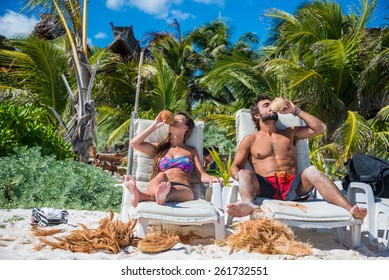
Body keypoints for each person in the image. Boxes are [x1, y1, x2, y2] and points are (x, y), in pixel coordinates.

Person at [226, 94, 367, 221]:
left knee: (312, 171)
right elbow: (235, 166)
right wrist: (242, 178)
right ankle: (247, 203)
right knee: (244, 172)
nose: (271, 107)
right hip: (266, 186)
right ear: (257, 115)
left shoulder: (290, 132)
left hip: (293, 186)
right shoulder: (250, 139)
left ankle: (350, 209)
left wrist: (295, 111)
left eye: (271, 104)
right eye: (266, 105)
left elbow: (320, 128)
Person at [124, 111, 222, 207]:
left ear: (186, 128)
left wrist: (211, 178)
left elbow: (201, 175)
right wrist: (154, 125)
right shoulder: (161, 148)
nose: (174, 120)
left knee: (166, 191)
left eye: (179, 119)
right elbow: (134, 143)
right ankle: (160, 197)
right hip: (160, 184)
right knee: (161, 175)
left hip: (182, 188)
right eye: (173, 119)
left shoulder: (191, 151)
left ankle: (144, 196)